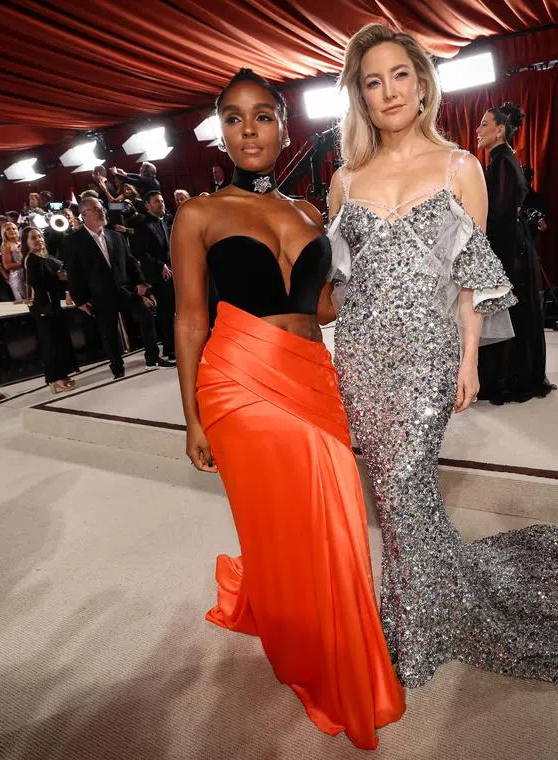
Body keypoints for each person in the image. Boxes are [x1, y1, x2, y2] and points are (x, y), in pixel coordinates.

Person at [328, 22, 558, 690]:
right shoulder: (344, 179)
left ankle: (412, 627)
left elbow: (471, 277)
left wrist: (470, 359)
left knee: (406, 483)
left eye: (399, 75)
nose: (387, 91)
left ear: (422, 82)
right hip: (361, 356)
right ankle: (430, 599)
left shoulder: (458, 166)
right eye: (372, 80)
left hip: (429, 353)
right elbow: (345, 288)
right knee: (392, 491)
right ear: (359, 93)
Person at [170, 68, 404, 750]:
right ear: (221, 131)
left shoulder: (312, 215)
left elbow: (321, 305)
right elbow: (189, 320)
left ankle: (308, 623)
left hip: (310, 374)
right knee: (291, 516)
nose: (250, 130)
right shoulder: (200, 215)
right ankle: (314, 654)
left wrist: (368, 272)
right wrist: (190, 415)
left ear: (283, 127)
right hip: (238, 380)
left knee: (332, 509)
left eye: (263, 116)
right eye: (236, 118)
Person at [473, 101, 554, 403]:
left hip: (509, 254)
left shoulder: (502, 161)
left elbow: (501, 217)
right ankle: (507, 377)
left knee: (507, 315)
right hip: (513, 250)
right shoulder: (503, 160)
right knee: (513, 316)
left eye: (484, 123)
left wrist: (491, 263)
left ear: (500, 130)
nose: (478, 129)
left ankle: (505, 380)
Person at [64, 196, 160, 378]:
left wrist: (140, 282)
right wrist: (80, 300)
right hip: (99, 294)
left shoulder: (115, 236)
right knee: (109, 334)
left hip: (125, 290)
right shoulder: (73, 242)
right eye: (96, 209)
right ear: (84, 214)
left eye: (102, 208)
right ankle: (117, 369)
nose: (102, 211)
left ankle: (153, 358)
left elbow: (130, 262)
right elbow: (73, 272)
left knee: (146, 317)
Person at [24, 227, 78, 393]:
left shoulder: (47, 257)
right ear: (26, 242)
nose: (38, 240)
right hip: (44, 307)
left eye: (39, 236)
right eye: (33, 238)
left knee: (60, 340)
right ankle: (55, 379)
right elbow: (38, 283)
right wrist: (58, 277)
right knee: (51, 343)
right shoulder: (31, 259)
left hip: (54, 305)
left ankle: (62, 374)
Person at [131, 190, 176, 363]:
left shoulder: (162, 222)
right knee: (165, 313)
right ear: (147, 205)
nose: (161, 204)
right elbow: (140, 252)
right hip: (155, 276)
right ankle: (171, 349)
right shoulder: (142, 224)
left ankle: (171, 346)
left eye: (162, 200)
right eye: (157, 201)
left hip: (169, 274)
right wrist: (160, 265)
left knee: (171, 311)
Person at [0, 222, 26, 300]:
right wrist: (24, 263)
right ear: (4, 233)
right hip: (17, 278)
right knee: (25, 301)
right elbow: (7, 266)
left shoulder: (20, 243)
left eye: (14, 228)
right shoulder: (6, 245)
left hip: (26, 274)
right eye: (8, 229)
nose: (12, 230)